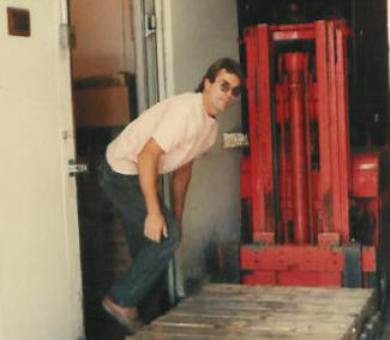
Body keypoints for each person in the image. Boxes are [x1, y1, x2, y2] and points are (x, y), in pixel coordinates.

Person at [98, 57, 241, 332]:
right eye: (223, 86)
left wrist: (176, 216)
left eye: (235, 91)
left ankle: (145, 321)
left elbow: (182, 172)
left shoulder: (209, 129)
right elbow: (147, 156)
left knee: (153, 245)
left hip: (131, 171)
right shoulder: (186, 112)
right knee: (164, 237)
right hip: (119, 171)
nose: (228, 95)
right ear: (208, 83)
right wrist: (155, 213)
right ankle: (119, 301)